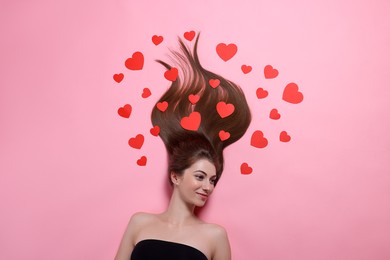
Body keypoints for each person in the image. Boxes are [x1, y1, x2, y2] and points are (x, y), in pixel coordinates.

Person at [115, 33, 251, 260]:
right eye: (200, 176)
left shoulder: (214, 236)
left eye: (212, 180)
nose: (208, 186)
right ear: (176, 176)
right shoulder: (139, 222)